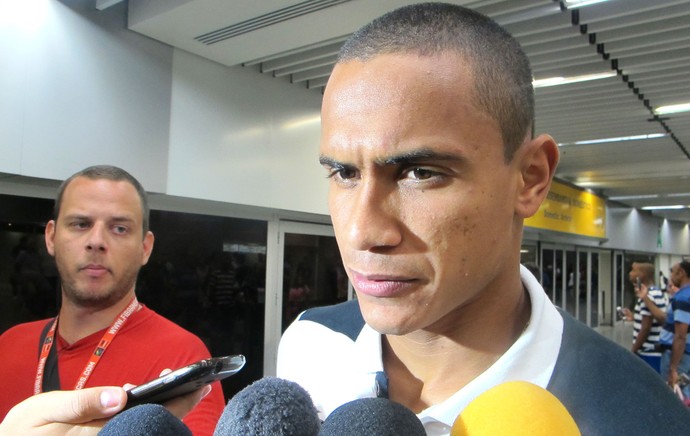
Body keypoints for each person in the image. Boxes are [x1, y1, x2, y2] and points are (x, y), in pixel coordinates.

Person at [276, 3, 690, 434]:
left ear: (530, 178)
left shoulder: (641, 419)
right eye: (344, 172)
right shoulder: (311, 343)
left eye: (420, 173)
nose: (363, 232)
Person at [0, 165, 225, 435]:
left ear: (145, 247)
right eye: (80, 224)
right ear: (51, 237)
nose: (96, 241)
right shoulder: (9, 344)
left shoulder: (181, 357)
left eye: (119, 228)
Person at [659, 261, 690, 399]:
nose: (670, 275)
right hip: (686, 354)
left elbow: (680, 336)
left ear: (682, 273)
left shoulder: (682, 297)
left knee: (674, 395)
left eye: (672, 271)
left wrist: (673, 368)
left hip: (678, 356)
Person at [628, 262, 666, 355]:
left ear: (642, 275)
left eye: (633, 270)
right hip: (653, 349)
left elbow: (646, 328)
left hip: (647, 351)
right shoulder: (656, 291)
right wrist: (634, 317)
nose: (630, 273)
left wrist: (634, 350)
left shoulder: (647, 296)